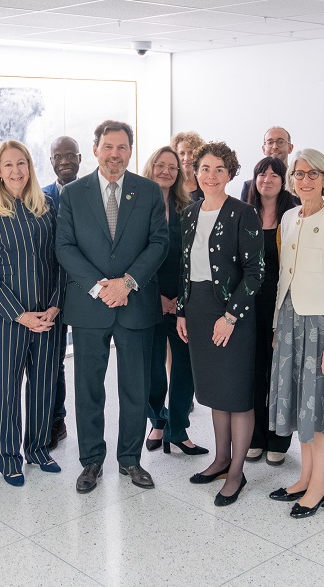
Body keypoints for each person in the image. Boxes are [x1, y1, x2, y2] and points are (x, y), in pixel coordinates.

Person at [56, 119, 168, 494]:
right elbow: (65, 247)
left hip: (135, 303)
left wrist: (127, 283)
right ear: (96, 149)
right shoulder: (72, 193)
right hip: (90, 305)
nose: (115, 154)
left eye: (122, 147)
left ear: (130, 152)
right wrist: (98, 287)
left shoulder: (149, 191)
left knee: (134, 386)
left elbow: (159, 243)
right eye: (108, 146)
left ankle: (130, 460)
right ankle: (91, 461)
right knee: (89, 387)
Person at [268, 148, 324, 519]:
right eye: (299, 174)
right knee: (300, 403)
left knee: (321, 404)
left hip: (322, 325)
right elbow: (283, 277)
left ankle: (319, 486)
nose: (305, 180)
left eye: (312, 174)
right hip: (290, 320)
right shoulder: (290, 217)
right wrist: (276, 324)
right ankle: (304, 477)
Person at [177, 142, 263, 506]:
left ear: (230, 174)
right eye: (205, 169)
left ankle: (237, 471)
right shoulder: (189, 213)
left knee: (237, 395)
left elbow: (255, 272)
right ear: (195, 172)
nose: (211, 176)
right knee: (215, 392)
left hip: (232, 313)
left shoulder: (244, 212)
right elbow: (185, 267)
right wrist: (182, 309)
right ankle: (221, 458)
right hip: (197, 310)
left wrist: (230, 316)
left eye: (220, 170)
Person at [0, 140, 65, 486]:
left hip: (49, 315)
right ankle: (9, 455)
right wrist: (20, 314)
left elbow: (61, 260)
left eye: (22, 163)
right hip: (7, 316)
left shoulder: (48, 206)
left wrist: (55, 305)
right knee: (9, 387)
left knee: (44, 384)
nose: (16, 171)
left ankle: (39, 449)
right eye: (8, 165)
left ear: (30, 167)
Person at [141, 146, 205, 457]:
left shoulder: (189, 208)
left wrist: (178, 299)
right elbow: (133, 257)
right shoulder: (136, 206)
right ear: (150, 167)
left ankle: (178, 429)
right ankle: (158, 421)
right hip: (147, 298)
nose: (166, 171)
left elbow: (193, 257)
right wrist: (159, 299)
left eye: (173, 167)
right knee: (152, 367)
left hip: (183, 299)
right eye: (160, 165)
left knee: (184, 366)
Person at [244, 156, 296, 466]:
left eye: (275, 175)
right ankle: (256, 434)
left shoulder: (293, 215)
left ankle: (279, 436)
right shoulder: (243, 214)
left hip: (283, 303)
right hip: (250, 304)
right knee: (254, 371)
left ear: (283, 180)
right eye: (262, 174)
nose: (267, 179)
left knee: (280, 371)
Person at [42, 134, 81, 449]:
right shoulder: (38, 198)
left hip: (86, 291)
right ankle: (56, 420)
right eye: (58, 156)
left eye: (70, 155)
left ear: (80, 158)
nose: (65, 160)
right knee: (53, 361)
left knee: (86, 360)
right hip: (51, 293)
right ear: (51, 160)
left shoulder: (93, 193)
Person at [239, 127, 294, 201]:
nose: (274, 147)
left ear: (290, 148)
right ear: (263, 149)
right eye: (270, 142)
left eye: (280, 142)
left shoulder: (299, 184)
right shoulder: (249, 187)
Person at [171, 130, 205, 201]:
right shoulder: (170, 184)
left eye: (191, 153)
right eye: (182, 153)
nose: (186, 158)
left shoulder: (206, 184)